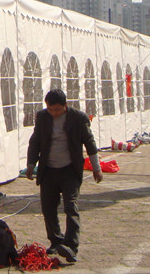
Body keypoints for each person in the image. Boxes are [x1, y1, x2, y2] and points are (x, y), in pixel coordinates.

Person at [26, 89, 102, 263]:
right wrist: (31, 164)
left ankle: (71, 246)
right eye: (51, 109)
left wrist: (96, 168)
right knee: (48, 208)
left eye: (57, 110)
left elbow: (90, 143)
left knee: (71, 207)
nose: (54, 113)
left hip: (70, 170)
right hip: (49, 170)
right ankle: (56, 241)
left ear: (65, 106)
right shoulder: (42, 117)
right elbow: (35, 141)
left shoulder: (78, 118)